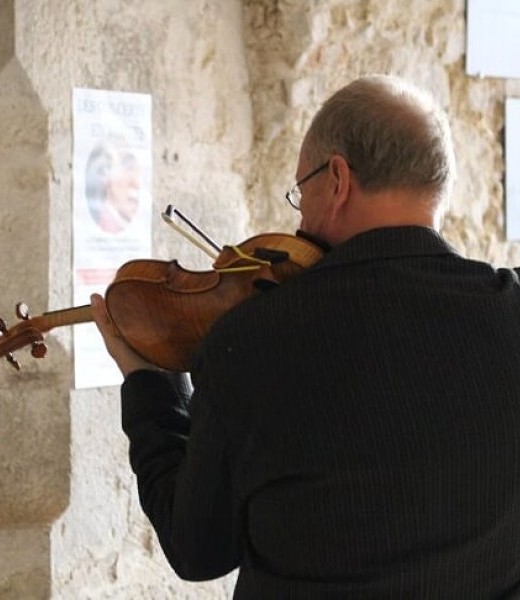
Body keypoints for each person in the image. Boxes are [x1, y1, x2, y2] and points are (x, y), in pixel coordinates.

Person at [91, 75, 520, 598]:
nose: (298, 219)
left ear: (337, 179)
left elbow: (197, 548)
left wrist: (150, 382)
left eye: (301, 191)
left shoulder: (252, 341)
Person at [85, 134, 141, 234]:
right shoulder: (106, 225)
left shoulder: (124, 224)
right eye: (128, 167)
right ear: (104, 173)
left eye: (137, 169)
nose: (136, 182)